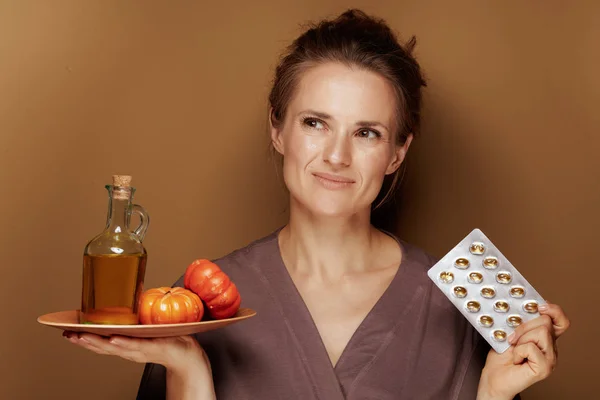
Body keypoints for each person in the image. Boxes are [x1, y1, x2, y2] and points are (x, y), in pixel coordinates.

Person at [64, 9, 570, 400]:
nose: (337, 155)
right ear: (277, 129)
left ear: (397, 152)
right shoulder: (197, 304)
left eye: (367, 132)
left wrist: (492, 394)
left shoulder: (458, 309)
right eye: (315, 123)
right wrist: (191, 372)